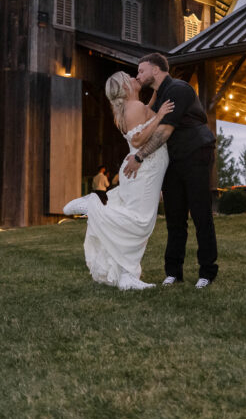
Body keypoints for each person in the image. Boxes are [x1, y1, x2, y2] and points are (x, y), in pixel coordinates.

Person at [63, 72, 174, 290]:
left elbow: (143, 119)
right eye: (131, 78)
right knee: (140, 222)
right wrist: (160, 114)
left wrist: (153, 102)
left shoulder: (130, 108)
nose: (136, 78)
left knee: (135, 221)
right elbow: (138, 138)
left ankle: (127, 275)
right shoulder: (134, 107)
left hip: (140, 171)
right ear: (125, 86)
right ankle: (93, 206)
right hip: (143, 171)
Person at [123, 52, 218, 289]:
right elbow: (148, 119)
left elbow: (164, 132)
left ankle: (207, 271)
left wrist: (139, 157)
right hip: (173, 159)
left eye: (141, 70)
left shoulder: (178, 89)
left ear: (156, 70)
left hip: (196, 152)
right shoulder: (160, 94)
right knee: (175, 217)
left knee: (200, 214)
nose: (138, 74)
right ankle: (173, 272)